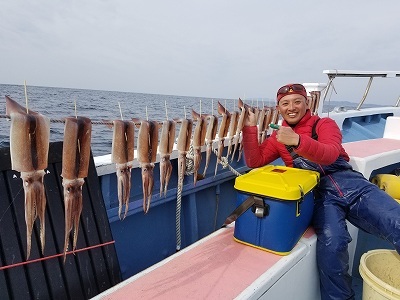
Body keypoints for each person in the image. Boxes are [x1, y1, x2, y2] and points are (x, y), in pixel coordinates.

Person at [241, 83, 400, 300]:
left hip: (351, 183)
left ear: (307, 103)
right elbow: (254, 160)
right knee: (331, 248)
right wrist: (250, 128)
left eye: (297, 101)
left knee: (395, 219)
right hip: (319, 195)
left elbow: (330, 153)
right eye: (285, 103)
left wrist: (297, 140)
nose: (291, 107)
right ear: (278, 108)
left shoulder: (324, 124)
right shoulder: (278, 138)